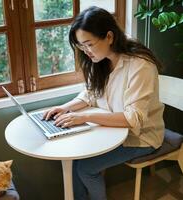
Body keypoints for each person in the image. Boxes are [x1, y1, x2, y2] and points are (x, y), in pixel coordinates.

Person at [43, 6, 165, 200]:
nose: (86, 51)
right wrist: (65, 108)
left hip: (141, 137)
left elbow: (134, 119)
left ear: (109, 36)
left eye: (89, 44)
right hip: (114, 132)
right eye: (81, 46)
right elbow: (90, 94)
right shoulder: (101, 60)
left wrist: (84, 116)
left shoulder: (140, 65)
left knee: (86, 168)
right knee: (77, 159)